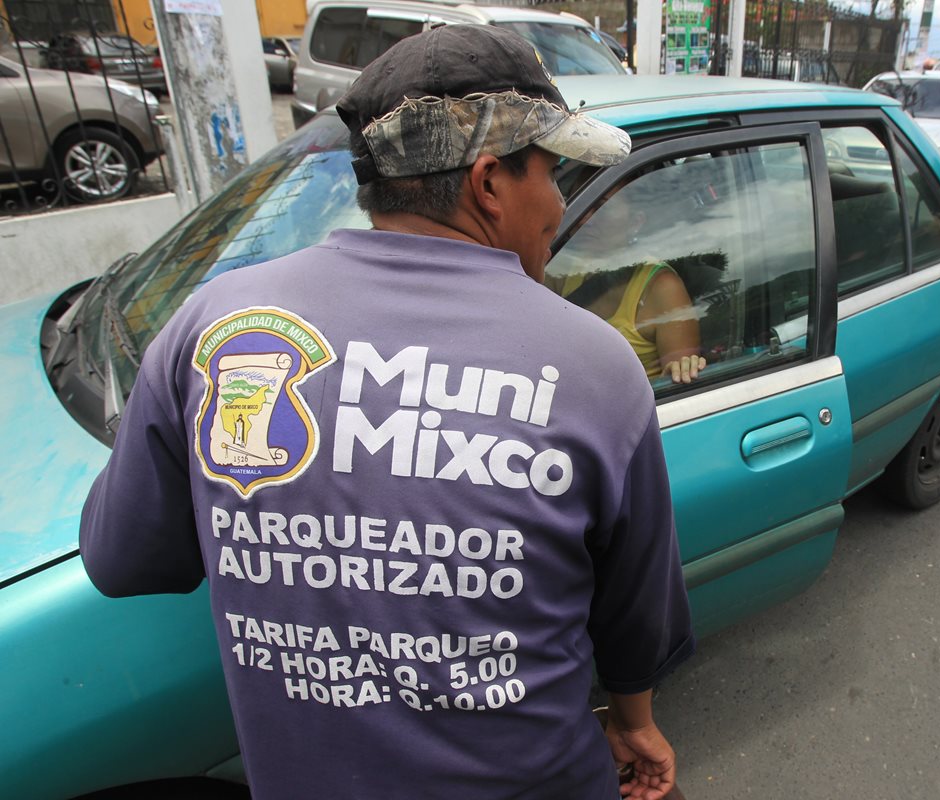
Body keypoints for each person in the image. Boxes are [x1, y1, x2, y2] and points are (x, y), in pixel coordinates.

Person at [78, 24, 694, 800]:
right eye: (553, 172)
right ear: (491, 181)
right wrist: (634, 722)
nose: (560, 202)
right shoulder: (595, 367)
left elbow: (121, 558)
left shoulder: (213, 324)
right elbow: (635, 624)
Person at [548, 183, 706, 384]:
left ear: (636, 222)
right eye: (582, 203)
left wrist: (680, 368)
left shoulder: (662, 288)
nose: (585, 219)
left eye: (602, 208)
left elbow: (680, 384)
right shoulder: (561, 269)